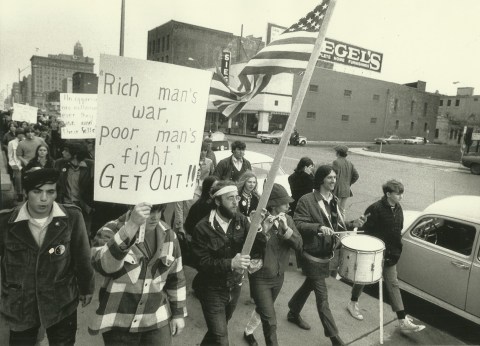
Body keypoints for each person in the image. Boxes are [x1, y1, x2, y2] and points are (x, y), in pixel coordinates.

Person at [0, 168, 94, 345]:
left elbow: (82, 256)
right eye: (37, 191)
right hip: (20, 305)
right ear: (26, 193)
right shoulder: (5, 222)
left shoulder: (72, 217)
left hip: (60, 302)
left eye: (50, 192)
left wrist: (86, 287)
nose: (44, 198)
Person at [287, 165, 366, 346]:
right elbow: (297, 223)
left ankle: (293, 311)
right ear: (321, 179)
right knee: (322, 298)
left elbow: (336, 225)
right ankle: (335, 338)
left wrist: (354, 222)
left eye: (335, 178)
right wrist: (317, 227)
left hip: (326, 255)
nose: (333, 181)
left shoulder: (334, 200)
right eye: (330, 177)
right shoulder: (306, 200)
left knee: (309, 285)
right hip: (311, 255)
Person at [89, 203, 187, 345]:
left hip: (156, 317)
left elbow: (176, 276)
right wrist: (131, 226)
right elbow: (104, 266)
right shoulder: (110, 229)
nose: (155, 217)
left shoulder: (169, 234)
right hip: (119, 319)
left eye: (160, 211)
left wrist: (178, 314)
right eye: (150, 211)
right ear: (132, 207)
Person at [191, 180, 269, 345]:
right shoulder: (203, 227)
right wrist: (231, 263)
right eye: (230, 198)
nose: (236, 202)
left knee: (219, 330)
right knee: (221, 338)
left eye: (237, 197)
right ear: (217, 201)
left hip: (234, 287)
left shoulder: (241, 220)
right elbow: (202, 263)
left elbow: (258, 247)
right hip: (211, 289)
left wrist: (259, 227)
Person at [346, 180, 426, 333]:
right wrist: (370, 249)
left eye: (402, 193)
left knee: (393, 284)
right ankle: (352, 303)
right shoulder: (375, 208)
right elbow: (364, 230)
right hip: (375, 253)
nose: (401, 197)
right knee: (363, 278)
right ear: (388, 194)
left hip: (391, 254)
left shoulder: (398, 208)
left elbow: (398, 228)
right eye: (398, 194)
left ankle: (402, 319)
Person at [243, 184, 303, 346]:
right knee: (271, 319)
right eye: (285, 203)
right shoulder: (257, 218)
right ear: (274, 205)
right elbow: (248, 247)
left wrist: (286, 230)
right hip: (260, 276)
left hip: (278, 275)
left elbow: (299, 245)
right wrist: (263, 231)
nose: (288, 206)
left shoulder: (288, 220)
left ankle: (248, 331)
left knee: (263, 309)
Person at [55, 142, 95, 237]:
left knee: (83, 234)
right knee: (65, 233)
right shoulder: (60, 163)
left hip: (84, 206)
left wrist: (91, 205)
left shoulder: (90, 165)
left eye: (66, 151)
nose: (63, 152)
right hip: (66, 204)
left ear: (75, 154)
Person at [332, 145, 359, 217]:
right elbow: (356, 176)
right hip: (346, 190)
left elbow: (333, 175)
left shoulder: (336, 162)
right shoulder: (350, 163)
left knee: (334, 209)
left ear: (338, 153)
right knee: (342, 210)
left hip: (337, 189)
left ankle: (335, 226)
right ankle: (342, 226)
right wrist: (348, 183)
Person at [7, 128, 25, 202]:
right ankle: (19, 194)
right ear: (17, 135)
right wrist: (12, 164)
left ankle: (25, 193)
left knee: (24, 179)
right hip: (17, 164)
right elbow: (10, 155)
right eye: (20, 134)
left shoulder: (25, 142)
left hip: (25, 163)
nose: (22, 135)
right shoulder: (12, 143)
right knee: (18, 179)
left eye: (23, 134)